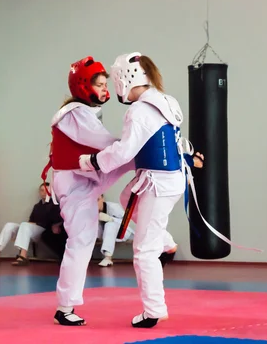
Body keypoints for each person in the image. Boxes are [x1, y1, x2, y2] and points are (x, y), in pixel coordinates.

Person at [79, 52, 204, 328]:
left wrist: (93, 161)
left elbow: (124, 152)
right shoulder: (166, 101)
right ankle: (167, 243)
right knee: (127, 199)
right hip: (168, 179)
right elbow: (170, 142)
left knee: (144, 250)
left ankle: (153, 310)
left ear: (126, 77)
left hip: (157, 183)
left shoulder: (139, 110)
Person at [41, 56, 135, 326]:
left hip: (83, 176)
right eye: (102, 85)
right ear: (84, 86)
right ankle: (65, 307)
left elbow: (110, 151)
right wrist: (138, 142)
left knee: (135, 159)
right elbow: (105, 143)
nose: (106, 90)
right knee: (81, 241)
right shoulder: (75, 114)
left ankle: (162, 241)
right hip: (75, 180)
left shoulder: (82, 112)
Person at [0, 182, 61, 266]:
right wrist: (21, 231)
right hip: (31, 229)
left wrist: (28, 226)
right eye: (42, 190)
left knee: (25, 225)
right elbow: (31, 221)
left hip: (44, 231)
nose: (44, 192)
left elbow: (51, 222)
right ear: (39, 192)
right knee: (10, 225)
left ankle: (23, 256)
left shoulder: (55, 205)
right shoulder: (37, 206)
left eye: (47, 190)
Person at [96, 194, 134, 267]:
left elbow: (126, 223)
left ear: (102, 199)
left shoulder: (114, 207)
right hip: (108, 236)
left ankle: (107, 258)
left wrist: (110, 219)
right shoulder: (90, 212)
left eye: (98, 200)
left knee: (110, 224)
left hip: (124, 233)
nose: (96, 203)